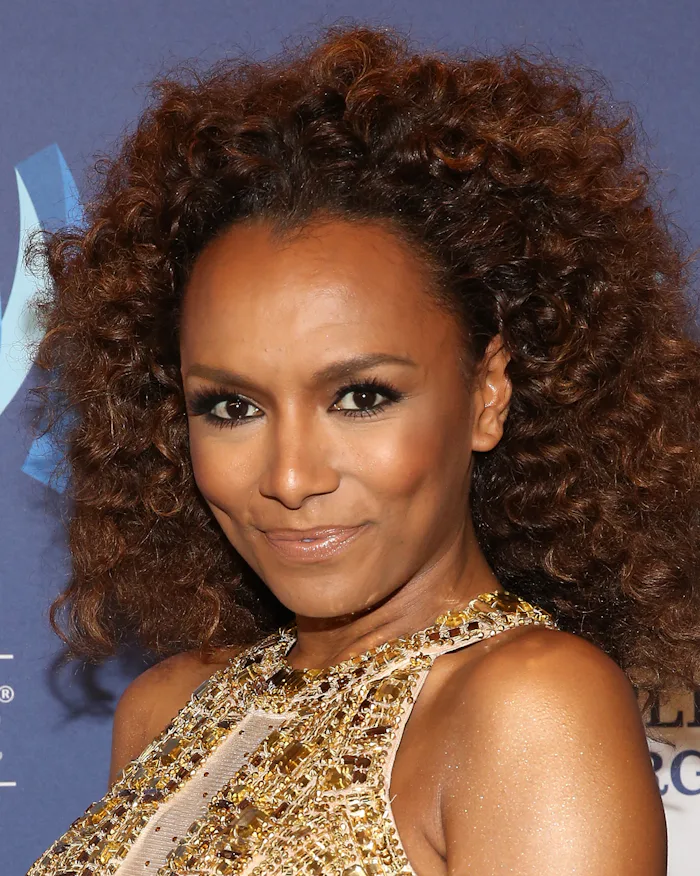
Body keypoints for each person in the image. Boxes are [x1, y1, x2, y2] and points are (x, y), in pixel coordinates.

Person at [23, 22, 700, 876]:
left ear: (487, 395)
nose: (291, 477)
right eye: (232, 406)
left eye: (361, 397)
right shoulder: (165, 707)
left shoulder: (529, 705)